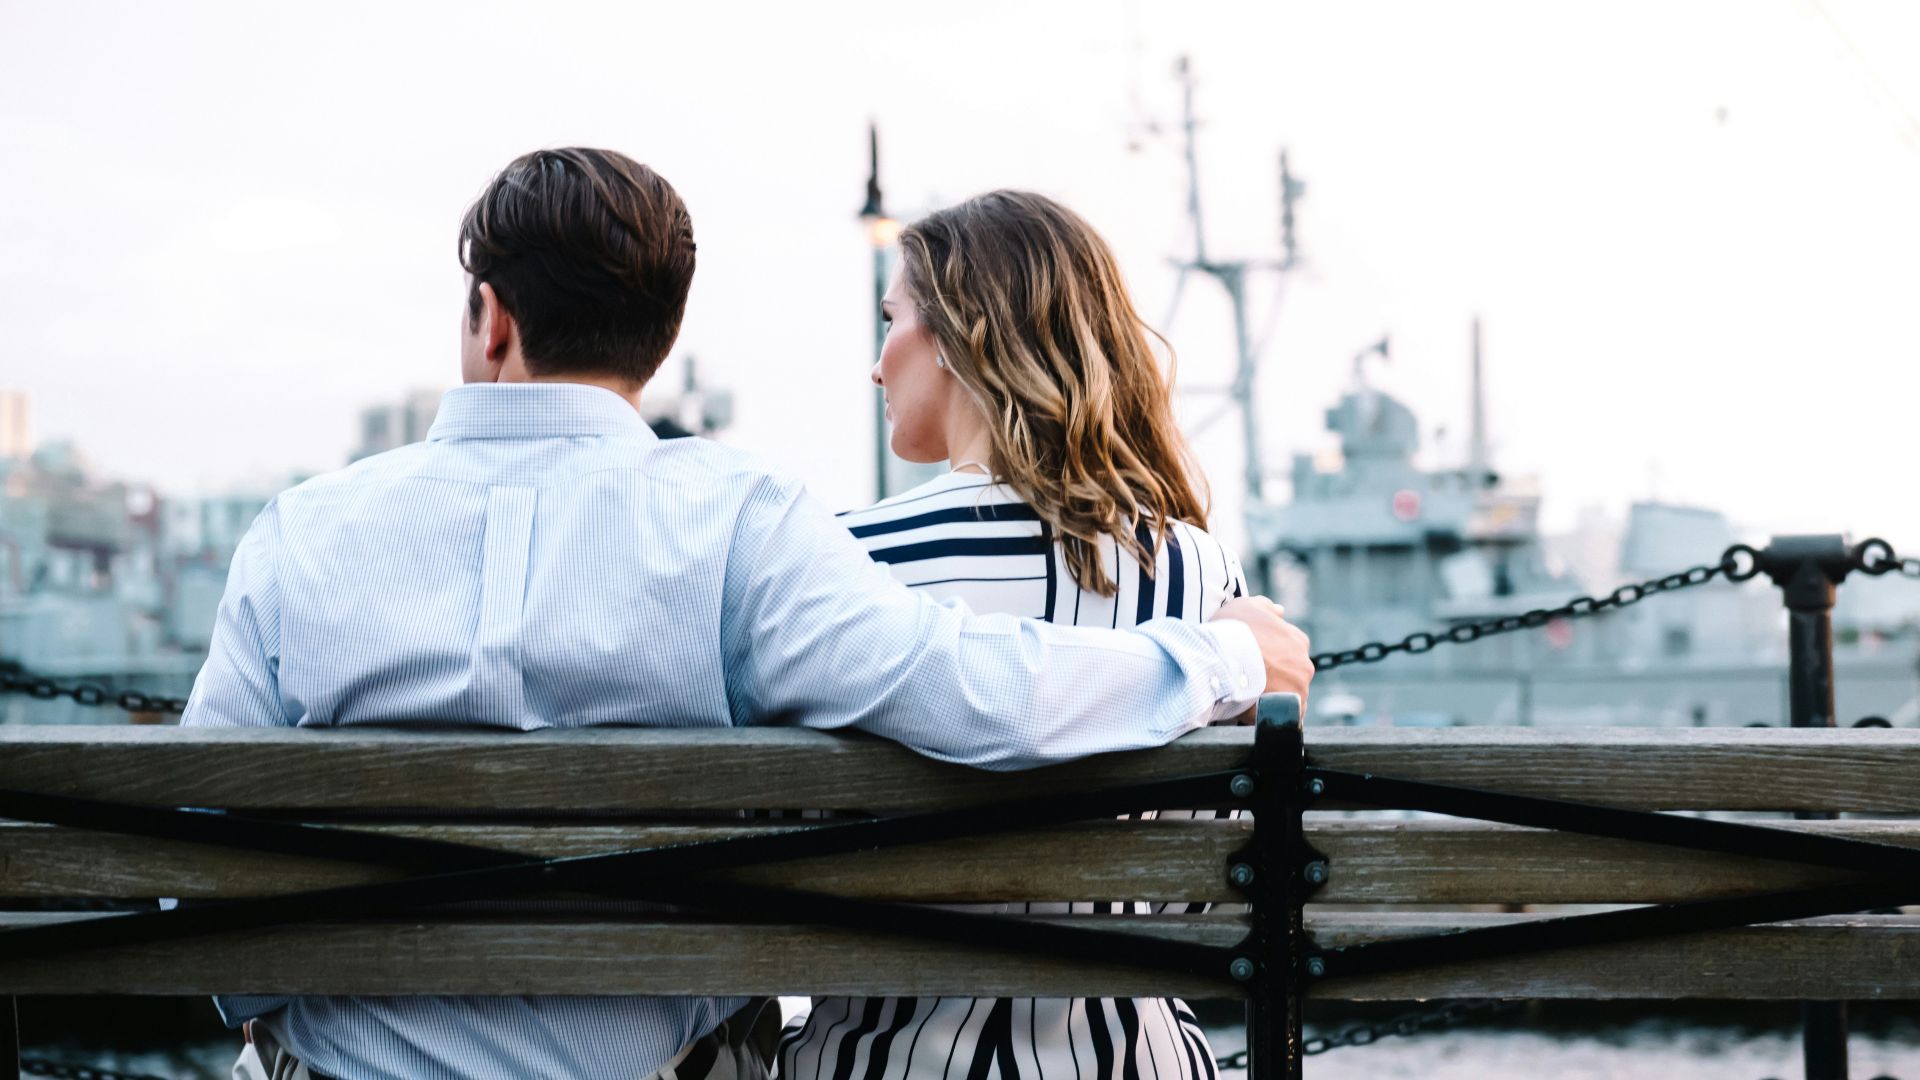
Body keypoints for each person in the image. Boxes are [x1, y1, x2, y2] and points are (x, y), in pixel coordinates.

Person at [182, 149, 1312, 1080]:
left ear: (490, 316)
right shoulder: (737, 523)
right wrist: (1215, 654)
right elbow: (971, 693)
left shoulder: (301, 533)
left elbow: (196, 868)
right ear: (661, 339)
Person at [775, 190, 1260, 1080]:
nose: (877, 366)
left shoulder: (840, 561)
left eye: (892, 322)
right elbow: (1210, 891)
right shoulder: (1200, 578)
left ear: (966, 337)